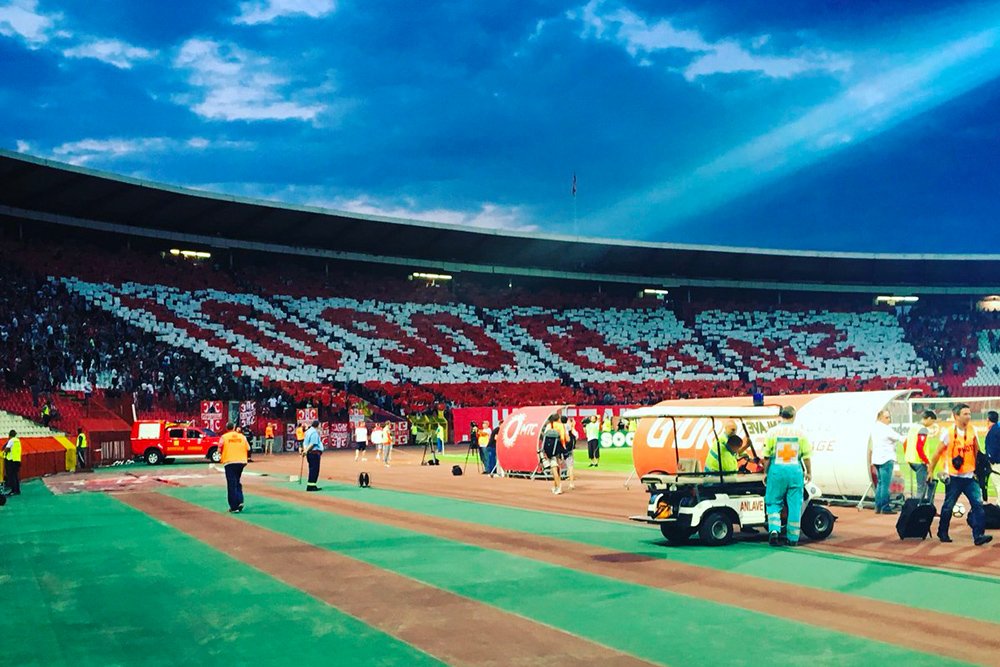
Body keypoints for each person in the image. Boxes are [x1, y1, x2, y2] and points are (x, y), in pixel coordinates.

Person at [926, 404, 992, 545]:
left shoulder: (972, 430)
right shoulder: (948, 433)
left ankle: (978, 535)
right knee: (948, 506)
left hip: (969, 477)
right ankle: (942, 531)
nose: (969, 416)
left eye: (969, 413)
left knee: (978, 505)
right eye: (965, 414)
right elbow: (937, 454)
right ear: (956, 416)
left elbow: (976, 451)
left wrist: (979, 468)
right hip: (953, 477)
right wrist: (930, 470)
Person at [762, 406, 812, 547]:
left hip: (776, 471)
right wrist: (809, 472)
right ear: (794, 416)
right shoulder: (801, 433)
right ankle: (793, 538)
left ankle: (774, 531)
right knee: (795, 505)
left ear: (781, 415)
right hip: (795, 471)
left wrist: (765, 472)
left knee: (773, 502)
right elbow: (807, 456)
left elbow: (766, 456)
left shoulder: (772, 432)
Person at [868, 409, 904, 514]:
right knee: (885, 484)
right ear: (881, 418)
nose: (889, 419)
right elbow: (900, 438)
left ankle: (878, 506)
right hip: (886, 458)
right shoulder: (886, 429)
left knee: (880, 483)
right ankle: (885, 506)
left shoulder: (874, 428)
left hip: (877, 458)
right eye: (887, 417)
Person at [904, 410, 940, 501]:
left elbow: (905, 443)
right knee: (922, 486)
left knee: (931, 482)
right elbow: (919, 447)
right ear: (928, 418)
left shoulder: (913, 428)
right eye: (932, 421)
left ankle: (928, 503)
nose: (932, 424)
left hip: (911, 459)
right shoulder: (923, 429)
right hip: (919, 461)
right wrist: (927, 462)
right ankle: (918, 507)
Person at [220, 422, 250, 513]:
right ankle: (240, 500)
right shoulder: (242, 437)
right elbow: (248, 448)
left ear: (226, 428)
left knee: (231, 484)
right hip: (241, 461)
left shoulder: (224, 437)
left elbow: (219, 448)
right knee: (237, 481)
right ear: (234, 428)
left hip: (229, 462)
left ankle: (234, 507)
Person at [538, 414, 567, 495]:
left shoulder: (548, 425)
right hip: (558, 447)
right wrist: (563, 448)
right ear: (558, 419)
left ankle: (558, 486)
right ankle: (556, 486)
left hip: (549, 448)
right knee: (557, 467)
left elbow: (544, 437)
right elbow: (563, 437)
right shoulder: (561, 426)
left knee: (553, 467)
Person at [302, 419, 324, 492]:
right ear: (317, 426)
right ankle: (311, 486)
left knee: (311, 469)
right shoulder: (314, 432)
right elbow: (313, 443)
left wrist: (305, 451)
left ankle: (311, 485)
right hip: (314, 453)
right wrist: (306, 451)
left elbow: (305, 443)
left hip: (310, 453)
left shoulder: (308, 432)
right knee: (315, 470)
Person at [2, 429, 21, 495]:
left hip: (11, 460)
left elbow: (6, 449)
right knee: (15, 476)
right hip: (17, 460)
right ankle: (17, 490)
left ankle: (13, 490)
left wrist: (4, 451)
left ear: (9, 435)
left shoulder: (11, 440)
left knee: (11, 476)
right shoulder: (18, 441)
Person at [987, 410, 1000, 501]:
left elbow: (992, 448)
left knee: (998, 484)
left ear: (988, 419)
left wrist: (990, 460)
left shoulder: (993, 431)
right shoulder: (998, 428)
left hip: (996, 463)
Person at [562, 416, 578, 490]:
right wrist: (573, 425)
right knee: (570, 467)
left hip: (561, 449)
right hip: (569, 450)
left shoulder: (560, 427)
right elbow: (576, 436)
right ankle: (571, 484)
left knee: (558, 466)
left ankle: (558, 485)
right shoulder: (571, 429)